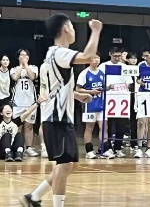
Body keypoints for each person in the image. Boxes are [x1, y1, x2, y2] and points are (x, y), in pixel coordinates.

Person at [19, 13, 101, 207]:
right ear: (65, 29)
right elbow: (88, 56)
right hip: (57, 118)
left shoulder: (51, 54)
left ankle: (34, 197)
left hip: (58, 117)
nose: (74, 31)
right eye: (72, 27)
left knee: (68, 164)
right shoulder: (60, 52)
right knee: (64, 165)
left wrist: (76, 95)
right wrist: (96, 31)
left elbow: (58, 87)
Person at [76, 54, 108, 159]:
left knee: (104, 127)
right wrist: (91, 92)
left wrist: (108, 88)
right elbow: (78, 89)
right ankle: (89, 150)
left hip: (101, 103)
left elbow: (103, 87)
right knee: (89, 127)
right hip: (89, 104)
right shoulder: (84, 73)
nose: (96, 60)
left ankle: (105, 149)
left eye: (98, 58)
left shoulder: (102, 73)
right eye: (94, 58)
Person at [10, 49, 39, 157]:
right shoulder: (14, 69)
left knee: (29, 125)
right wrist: (21, 66)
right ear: (18, 57)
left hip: (30, 102)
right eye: (21, 55)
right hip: (17, 102)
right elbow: (14, 77)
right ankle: (17, 147)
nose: (23, 57)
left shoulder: (33, 68)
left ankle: (29, 148)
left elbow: (32, 77)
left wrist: (26, 65)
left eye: (26, 55)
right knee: (17, 125)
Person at [1, 97, 46, 162]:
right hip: (2, 150)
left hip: (13, 150)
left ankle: (19, 153)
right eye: (5, 109)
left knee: (19, 135)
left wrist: (37, 103)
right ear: (1, 113)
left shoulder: (15, 122)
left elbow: (27, 113)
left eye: (9, 109)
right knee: (7, 135)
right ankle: (8, 153)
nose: (8, 110)